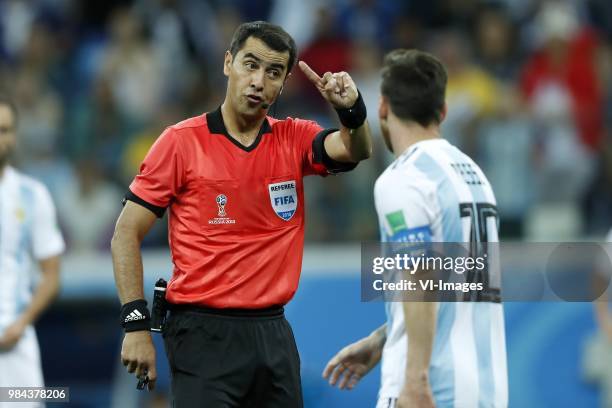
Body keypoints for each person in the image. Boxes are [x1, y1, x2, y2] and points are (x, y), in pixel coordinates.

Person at [111, 21, 372, 407]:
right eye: (250, 64)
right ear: (228, 63)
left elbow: (356, 150)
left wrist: (349, 108)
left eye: (273, 72)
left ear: (283, 85)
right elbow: (125, 233)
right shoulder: (180, 143)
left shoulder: (294, 138)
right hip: (201, 334)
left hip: (273, 334)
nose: (258, 81)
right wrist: (135, 326)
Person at [323, 49, 508, 408]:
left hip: (431, 389)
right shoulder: (473, 175)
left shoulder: (404, 178)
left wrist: (415, 380)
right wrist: (385, 336)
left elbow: (421, 273)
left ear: (382, 108)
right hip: (487, 388)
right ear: (442, 111)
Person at [0, 95, 64, 407]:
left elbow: (51, 275)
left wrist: (21, 322)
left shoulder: (32, 196)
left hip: (15, 343)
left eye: (5, 130)